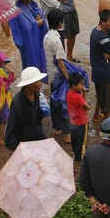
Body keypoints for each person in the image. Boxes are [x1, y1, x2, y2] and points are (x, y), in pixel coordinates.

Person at [5, 66, 49, 218]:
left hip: (39, 147)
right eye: (38, 81)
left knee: (42, 192)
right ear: (29, 85)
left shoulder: (37, 96)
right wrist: (22, 155)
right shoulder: (17, 104)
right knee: (33, 199)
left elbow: (38, 121)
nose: (41, 83)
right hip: (27, 154)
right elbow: (10, 137)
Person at [44, 8, 70, 143]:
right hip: (58, 76)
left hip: (51, 75)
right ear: (60, 23)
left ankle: (57, 128)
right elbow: (61, 61)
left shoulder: (47, 36)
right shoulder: (57, 40)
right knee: (64, 103)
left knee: (54, 102)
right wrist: (68, 78)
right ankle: (66, 133)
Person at [9, 0, 48, 72]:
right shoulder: (16, 10)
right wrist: (37, 23)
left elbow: (41, 18)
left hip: (38, 39)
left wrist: (40, 20)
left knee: (40, 59)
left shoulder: (33, 5)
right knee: (30, 64)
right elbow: (21, 28)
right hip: (27, 42)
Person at [90, 10, 110, 122]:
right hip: (104, 72)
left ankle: (96, 116)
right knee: (107, 103)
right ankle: (106, 126)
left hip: (97, 70)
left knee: (100, 96)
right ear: (102, 22)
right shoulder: (103, 38)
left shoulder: (95, 31)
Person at [67, 71, 90, 167]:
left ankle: (75, 156)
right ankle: (78, 163)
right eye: (80, 84)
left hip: (73, 122)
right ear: (74, 85)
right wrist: (84, 93)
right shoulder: (78, 97)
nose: (82, 86)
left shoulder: (69, 93)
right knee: (81, 143)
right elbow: (87, 107)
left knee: (74, 140)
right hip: (82, 122)